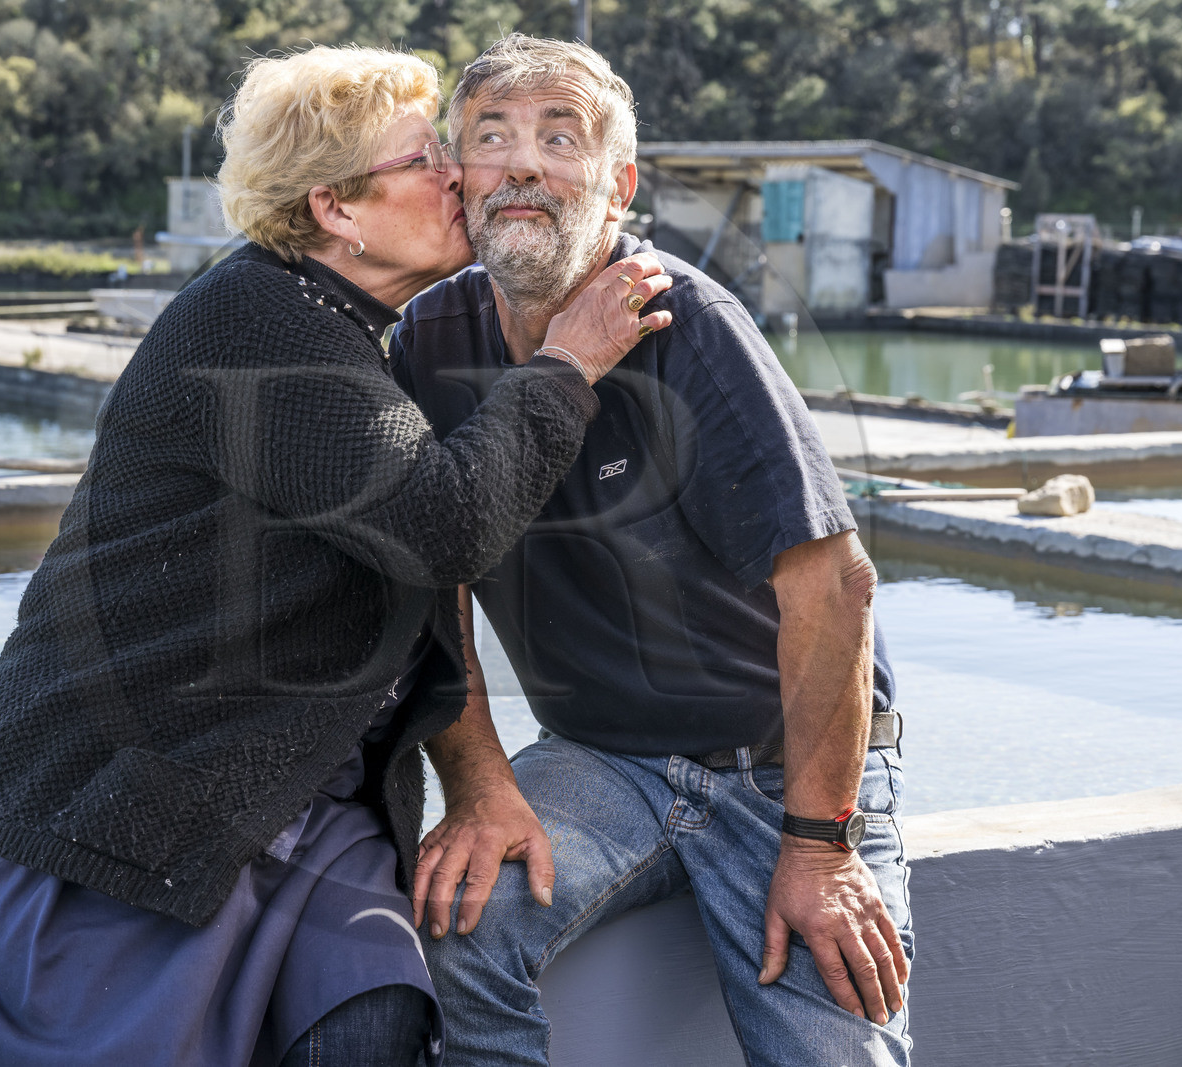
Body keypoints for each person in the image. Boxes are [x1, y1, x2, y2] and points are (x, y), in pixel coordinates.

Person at [0, 44, 674, 1067]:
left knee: (376, 1014)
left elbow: (420, 573)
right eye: (426, 159)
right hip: (120, 811)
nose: (458, 177)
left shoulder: (344, 330)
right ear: (336, 207)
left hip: (289, 795)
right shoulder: (254, 320)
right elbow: (440, 526)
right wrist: (568, 363)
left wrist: (477, 782)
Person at [390, 35, 913, 1066]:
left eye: (559, 135)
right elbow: (430, 580)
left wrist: (819, 845)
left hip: (784, 775)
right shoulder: (427, 343)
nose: (524, 163)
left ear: (619, 183)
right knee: (457, 932)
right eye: (491, 136)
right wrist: (482, 782)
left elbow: (834, 587)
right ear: (457, 177)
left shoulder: (690, 325)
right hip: (601, 759)